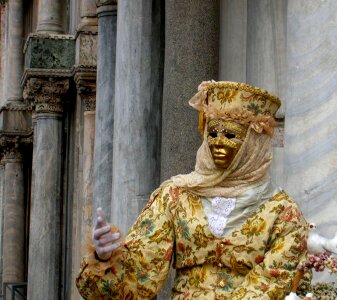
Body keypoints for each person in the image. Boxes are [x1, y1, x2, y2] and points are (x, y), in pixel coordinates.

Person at [76, 81, 309, 299]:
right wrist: (105, 258)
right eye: (213, 133)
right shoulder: (176, 196)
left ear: (253, 142)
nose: (218, 142)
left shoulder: (283, 212)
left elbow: (279, 282)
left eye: (230, 135)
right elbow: (139, 277)